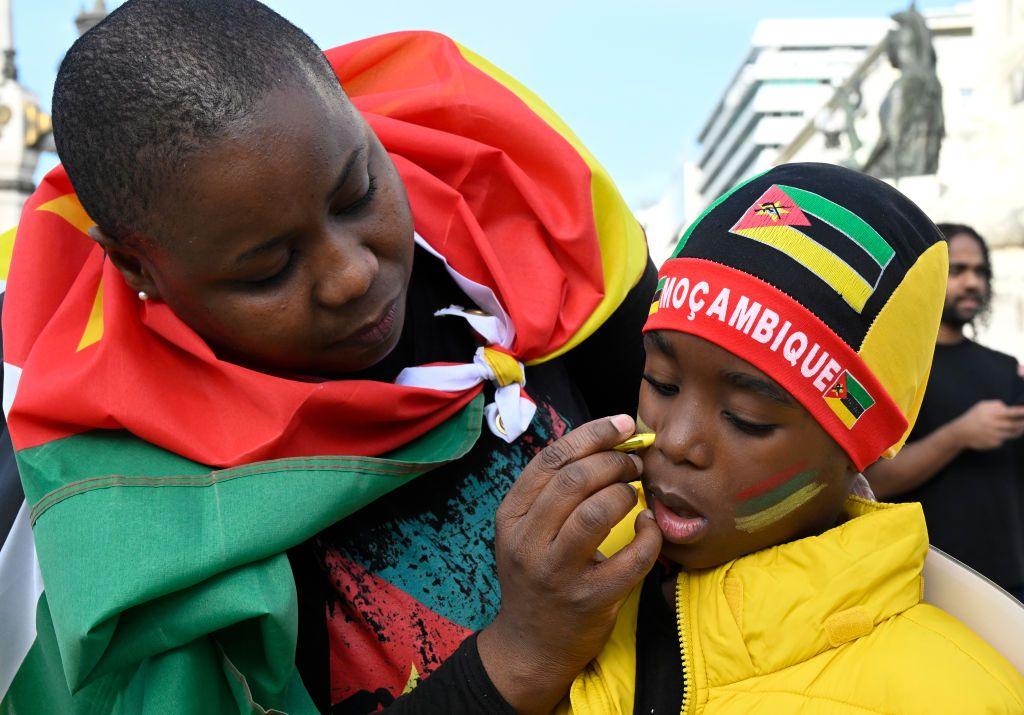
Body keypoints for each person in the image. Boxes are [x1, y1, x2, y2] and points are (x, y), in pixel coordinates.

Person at [0, 1, 662, 712]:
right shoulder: (118, 502)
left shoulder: (523, 202)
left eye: (358, 192)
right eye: (268, 270)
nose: (351, 275)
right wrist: (518, 659)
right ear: (138, 268)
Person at [509, 164, 1022, 713]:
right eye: (661, 381)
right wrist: (521, 646)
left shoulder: (951, 697)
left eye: (748, 417)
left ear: (859, 449)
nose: (676, 441)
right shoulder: (567, 575)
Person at [866, 223, 1024, 600]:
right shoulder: (894, 367)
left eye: (981, 271)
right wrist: (959, 435)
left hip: (1011, 580)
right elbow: (871, 483)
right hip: (930, 582)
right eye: (958, 270)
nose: (972, 282)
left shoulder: (1005, 368)